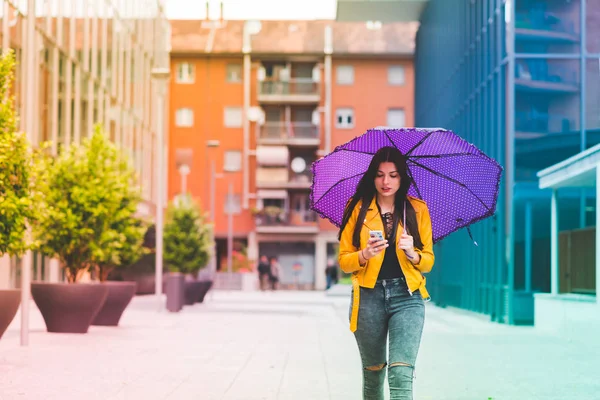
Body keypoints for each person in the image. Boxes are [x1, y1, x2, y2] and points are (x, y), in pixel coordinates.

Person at [338, 146, 434, 400]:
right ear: (373, 177)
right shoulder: (357, 209)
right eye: (380, 175)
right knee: (373, 375)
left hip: (408, 297)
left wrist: (412, 253)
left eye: (393, 175)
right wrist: (364, 255)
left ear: (402, 177)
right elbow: (344, 262)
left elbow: (428, 262)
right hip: (368, 298)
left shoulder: (417, 209)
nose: (386, 181)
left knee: (401, 374)